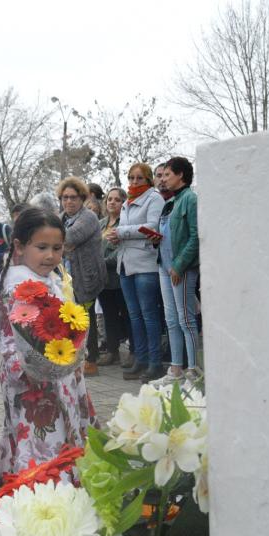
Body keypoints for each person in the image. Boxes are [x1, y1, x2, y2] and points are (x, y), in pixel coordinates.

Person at [0, 206, 99, 499]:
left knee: (65, 430)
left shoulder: (53, 281)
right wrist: (41, 362)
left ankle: (69, 494)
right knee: (39, 436)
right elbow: (13, 338)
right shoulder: (18, 286)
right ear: (20, 247)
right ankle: (42, 498)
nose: (50, 255)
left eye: (57, 248)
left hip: (60, 373)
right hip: (29, 378)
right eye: (42, 247)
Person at [106, 162, 166, 382]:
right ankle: (140, 358)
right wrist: (115, 237)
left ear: (148, 179)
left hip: (145, 264)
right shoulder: (128, 201)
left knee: (149, 315)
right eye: (131, 177)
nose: (134, 181)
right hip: (125, 264)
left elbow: (152, 227)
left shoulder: (154, 198)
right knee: (134, 316)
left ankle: (155, 363)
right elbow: (128, 231)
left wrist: (120, 231)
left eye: (139, 178)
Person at [149, 156, 202, 387]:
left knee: (186, 319)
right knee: (171, 320)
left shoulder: (190, 199)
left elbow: (195, 235)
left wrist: (179, 265)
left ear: (180, 175)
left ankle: (193, 370)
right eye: (161, 175)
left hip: (181, 269)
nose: (163, 179)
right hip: (164, 266)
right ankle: (176, 369)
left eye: (167, 174)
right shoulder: (170, 202)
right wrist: (155, 240)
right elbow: (169, 234)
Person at [58, 176, 106, 376]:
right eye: (65, 197)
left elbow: (68, 238)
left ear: (82, 198)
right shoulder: (62, 218)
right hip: (67, 274)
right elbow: (61, 242)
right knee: (71, 316)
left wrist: (63, 243)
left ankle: (91, 359)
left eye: (73, 198)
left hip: (87, 275)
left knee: (86, 318)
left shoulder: (88, 217)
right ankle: (76, 355)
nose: (69, 201)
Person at [97, 187, 132, 366]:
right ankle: (112, 351)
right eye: (109, 199)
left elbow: (122, 250)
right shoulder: (101, 223)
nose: (112, 202)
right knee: (109, 315)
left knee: (126, 314)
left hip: (120, 276)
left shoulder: (125, 223)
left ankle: (133, 351)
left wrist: (102, 262)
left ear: (123, 203)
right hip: (103, 280)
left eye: (117, 200)